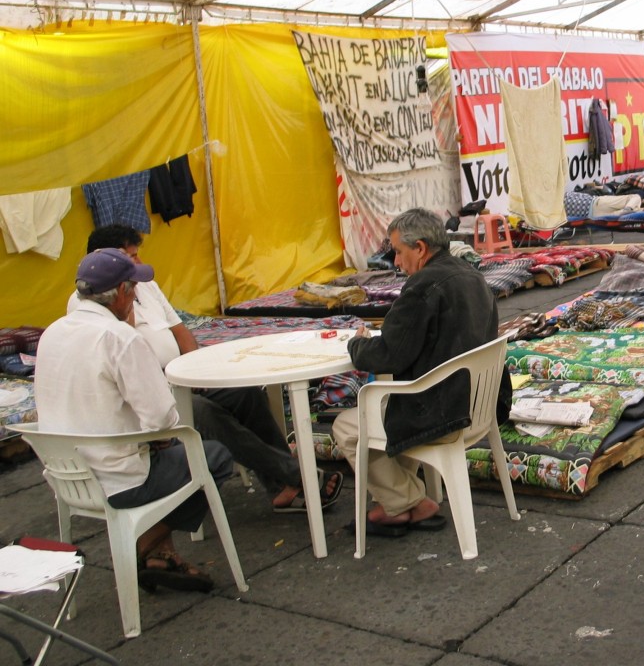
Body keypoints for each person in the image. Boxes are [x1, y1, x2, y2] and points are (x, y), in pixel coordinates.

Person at [74, 225, 341, 514]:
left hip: (178, 376)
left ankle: (281, 485)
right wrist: (126, 304)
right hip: (145, 394)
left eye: (137, 257)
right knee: (205, 414)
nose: (137, 265)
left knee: (245, 394)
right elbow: (131, 366)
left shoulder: (144, 285)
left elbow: (180, 330)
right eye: (130, 259)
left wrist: (195, 370)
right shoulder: (90, 305)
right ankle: (297, 476)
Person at [35, 248, 232, 592]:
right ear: (123, 293)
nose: (137, 296)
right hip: (120, 479)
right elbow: (162, 418)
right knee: (213, 456)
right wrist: (157, 439)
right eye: (134, 288)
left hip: (66, 476)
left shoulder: (52, 332)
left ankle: (159, 552)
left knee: (170, 449)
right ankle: (145, 545)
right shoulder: (121, 338)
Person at [331, 207, 509, 537]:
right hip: (479, 406)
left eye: (398, 252)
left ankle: (407, 502)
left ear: (421, 248)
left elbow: (389, 355)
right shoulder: (473, 276)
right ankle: (404, 502)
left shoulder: (421, 287)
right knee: (391, 405)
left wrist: (356, 345)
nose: (396, 262)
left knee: (348, 427)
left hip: (443, 412)